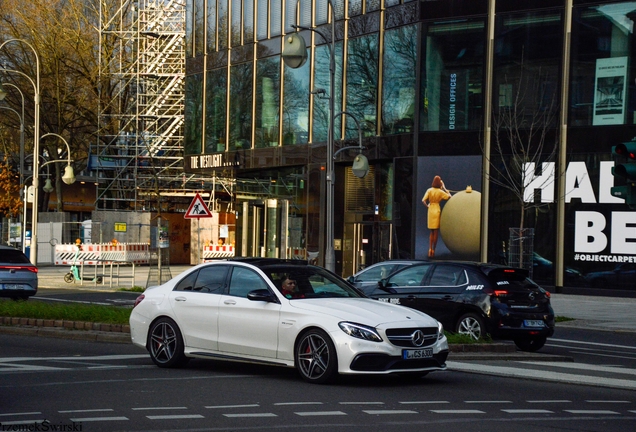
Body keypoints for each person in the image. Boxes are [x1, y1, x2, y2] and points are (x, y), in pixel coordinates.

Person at [422, 175, 451, 258]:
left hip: (431, 210)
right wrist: (445, 188)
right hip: (437, 210)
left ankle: (430, 249)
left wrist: (428, 206)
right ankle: (434, 249)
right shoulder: (440, 192)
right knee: (436, 232)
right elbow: (449, 196)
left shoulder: (429, 190)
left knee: (431, 231)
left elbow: (423, 200)